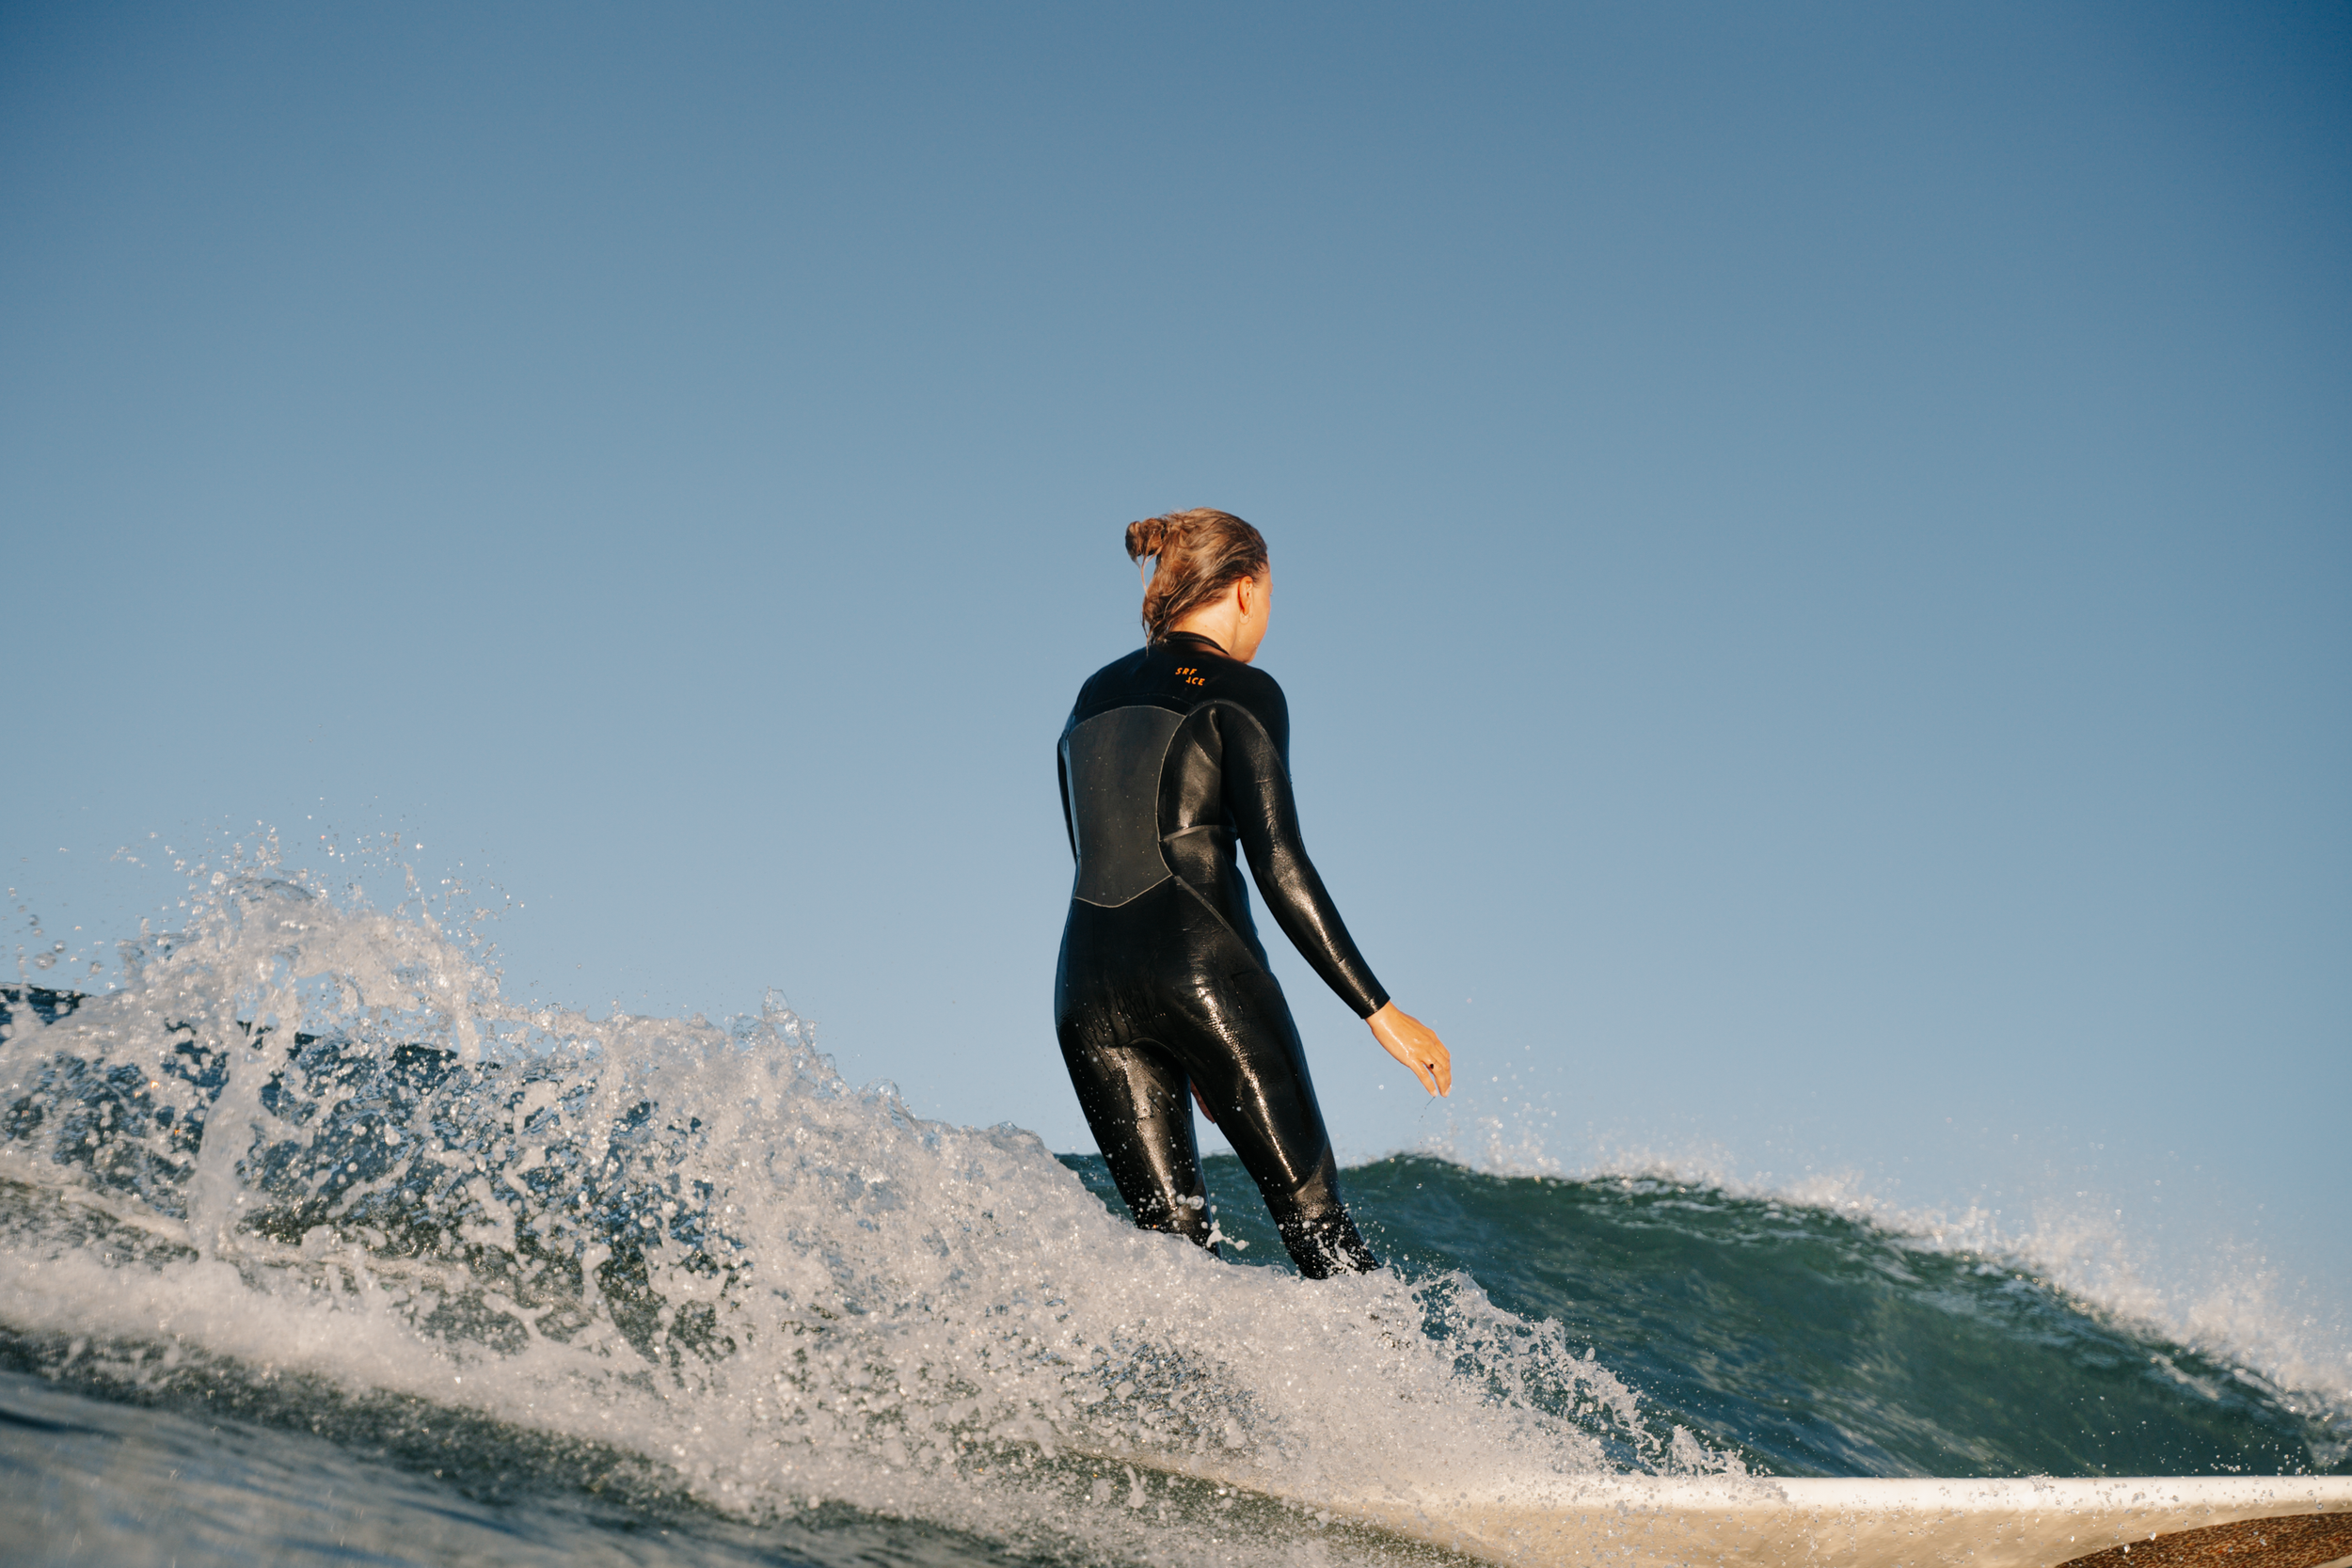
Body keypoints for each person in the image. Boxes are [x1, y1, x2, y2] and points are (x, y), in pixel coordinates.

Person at [1054, 508, 1453, 1278]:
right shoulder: (1244, 689)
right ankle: (1386, 1364)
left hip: (1085, 992)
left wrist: (1194, 1042)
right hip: (1204, 973)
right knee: (1321, 1235)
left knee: (1175, 1263)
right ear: (1244, 588)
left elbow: (1090, 850)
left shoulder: (1089, 694)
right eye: (1269, 597)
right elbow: (1279, 863)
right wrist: (1381, 1010)